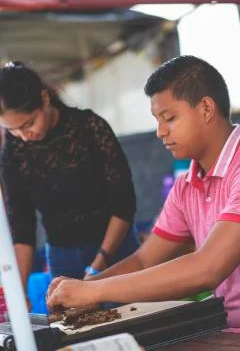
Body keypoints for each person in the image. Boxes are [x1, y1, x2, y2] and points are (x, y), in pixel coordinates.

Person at [47, 55, 240, 332]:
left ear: (206, 108)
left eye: (169, 118)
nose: (160, 132)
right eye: (157, 120)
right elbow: (144, 260)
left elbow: (208, 268)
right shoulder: (186, 186)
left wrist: (96, 292)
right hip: (224, 331)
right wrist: (84, 289)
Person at [0, 61, 139, 304]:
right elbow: (22, 224)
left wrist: (97, 268)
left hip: (115, 248)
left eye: (28, 124)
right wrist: (19, 292)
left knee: (129, 323)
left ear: (44, 99)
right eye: (13, 130)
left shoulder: (90, 127)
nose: (24, 136)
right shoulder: (14, 151)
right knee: (75, 333)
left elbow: (123, 204)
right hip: (62, 257)